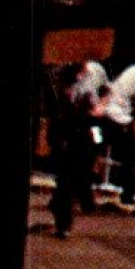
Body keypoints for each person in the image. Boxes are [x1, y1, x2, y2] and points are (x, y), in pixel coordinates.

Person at [46, 61, 107, 239]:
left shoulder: (96, 70)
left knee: (81, 170)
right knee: (65, 176)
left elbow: (107, 91)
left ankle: (76, 198)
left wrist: (100, 107)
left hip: (88, 126)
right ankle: (63, 222)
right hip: (67, 127)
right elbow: (57, 106)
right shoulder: (58, 73)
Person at [96, 63, 135, 207]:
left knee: (98, 147)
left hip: (110, 113)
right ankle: (129, 194)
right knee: (131, 155)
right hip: (118, 116)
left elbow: (133, 109)